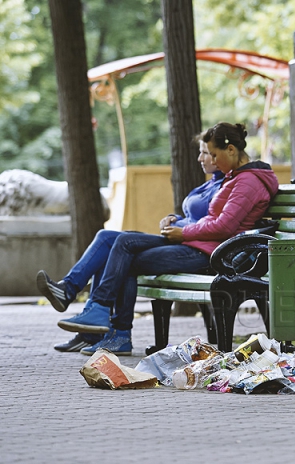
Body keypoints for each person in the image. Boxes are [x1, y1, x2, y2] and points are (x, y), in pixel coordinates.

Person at [53, 122, 279, 356]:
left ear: (231, 150)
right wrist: (179, 223)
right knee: (121, 243)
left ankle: (113, 327)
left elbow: (225, 225)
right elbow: (213, 220)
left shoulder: (248, 181)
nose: (211, 160)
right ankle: (103, 316)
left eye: (213, 154)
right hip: (200, 244)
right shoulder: (237, 178)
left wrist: (184, 231)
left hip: (212, 254)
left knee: (124, 253)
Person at [38, 135, 225, 353]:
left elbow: (216, 224)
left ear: (223, 153)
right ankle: (73, 298)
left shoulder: (227, 185)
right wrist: (175, 219)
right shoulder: (212, 183)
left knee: (122, 248)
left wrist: (183, 229)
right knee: (106, 236)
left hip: (194, 247)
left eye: (206, 153)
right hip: (182, 237)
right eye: (203, 152)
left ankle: (110, 329)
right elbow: (200, 218)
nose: (201, 158)